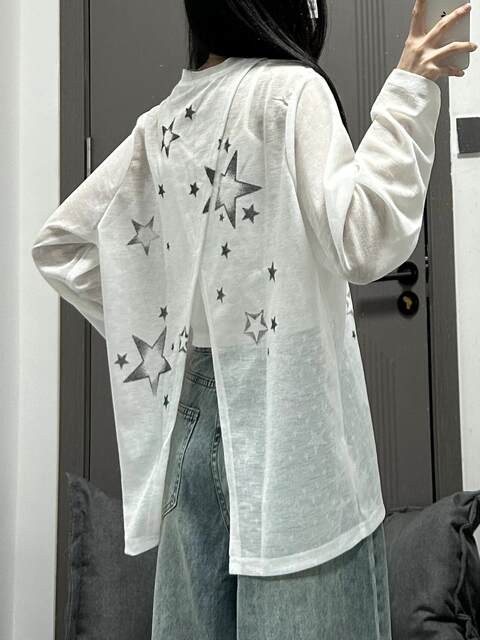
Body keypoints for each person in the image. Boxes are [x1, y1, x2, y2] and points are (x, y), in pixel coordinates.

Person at [31, 0, 476, 637]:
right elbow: (365, 238)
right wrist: (411, 87)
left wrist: (167, 329)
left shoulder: (165, 122)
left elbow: (63, 246)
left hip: (191, 421)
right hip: (290, 420)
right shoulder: (290, 92)